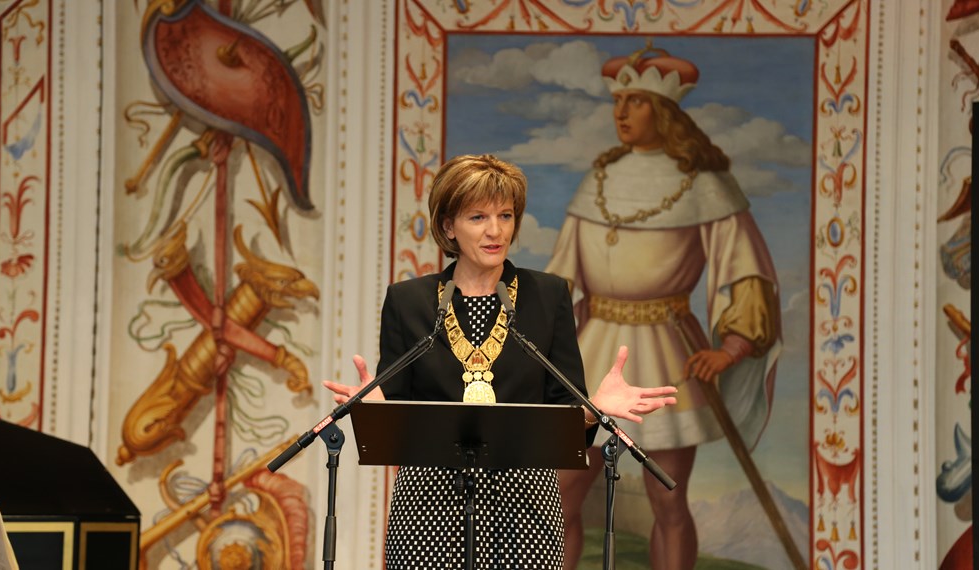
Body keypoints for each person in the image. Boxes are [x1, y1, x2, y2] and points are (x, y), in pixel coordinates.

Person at [323, 154, 678, 570]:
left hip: (525, 504)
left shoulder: (547, 295)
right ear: (447, 226)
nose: (496, 231)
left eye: (505, 215)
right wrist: (376, 413)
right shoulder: (409, 301)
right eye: (477, 217)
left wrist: (591, 410)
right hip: (430, 503)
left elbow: (563, 408)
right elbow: (397, 407)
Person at [547, 43, 782, 570]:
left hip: (668, 347)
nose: (621, 111)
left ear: (666, 111)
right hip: (593, 350)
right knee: (563, 493)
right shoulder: (597, 182)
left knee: (667, 499)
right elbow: (562, 278)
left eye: (636, 100)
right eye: (618, 100)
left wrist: (734, 346)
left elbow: (746, 269)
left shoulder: (706, 185)